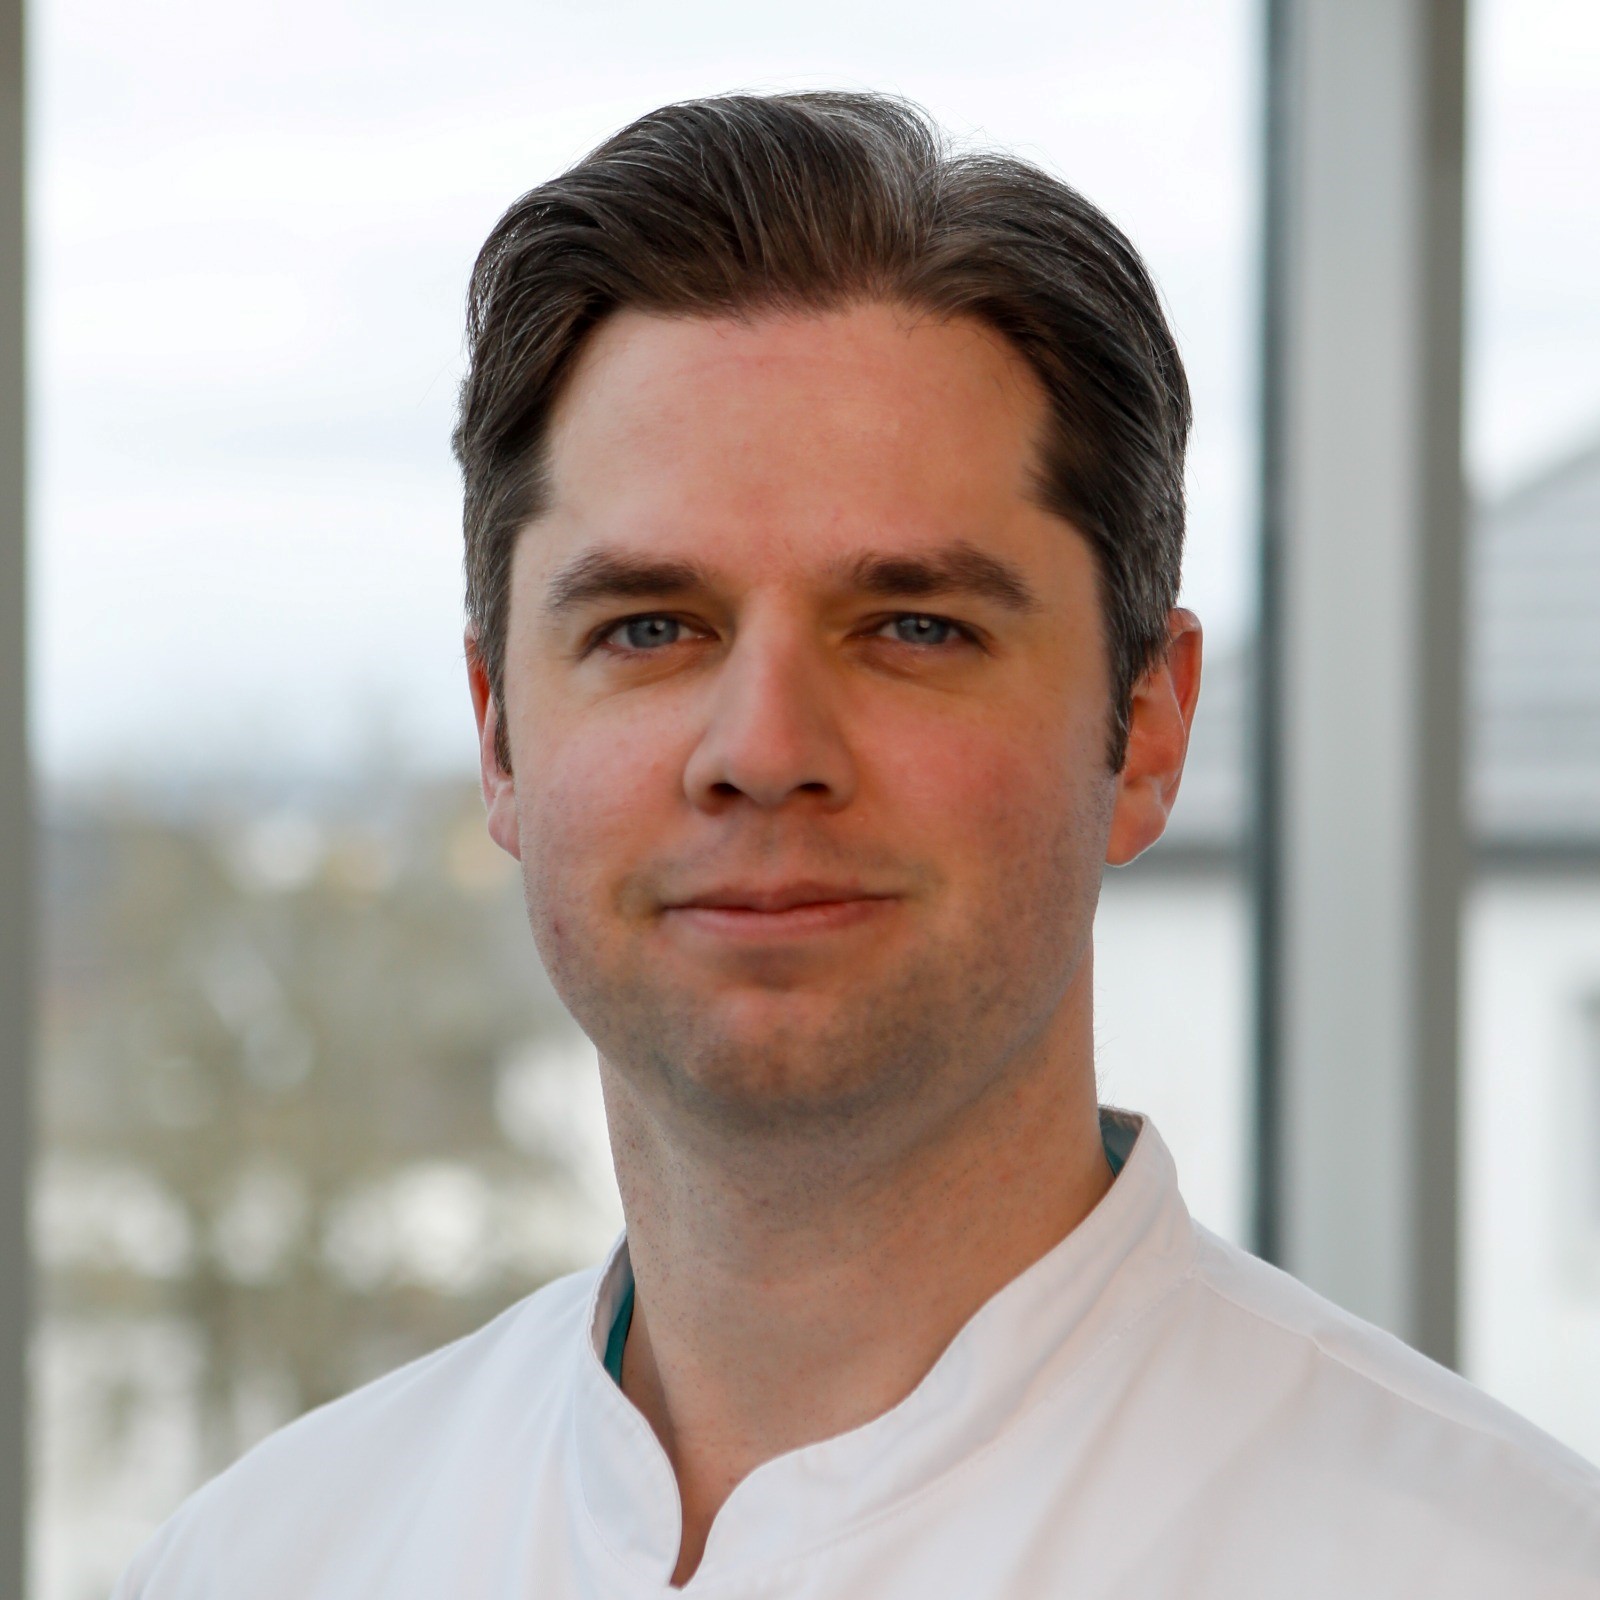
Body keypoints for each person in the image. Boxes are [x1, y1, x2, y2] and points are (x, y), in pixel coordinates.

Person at [114, 90, 1600, 1599]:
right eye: (650, 628)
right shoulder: (259, 1561)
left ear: (1147, 727)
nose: (764, 750)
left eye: (912, 625)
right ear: (500, 738)